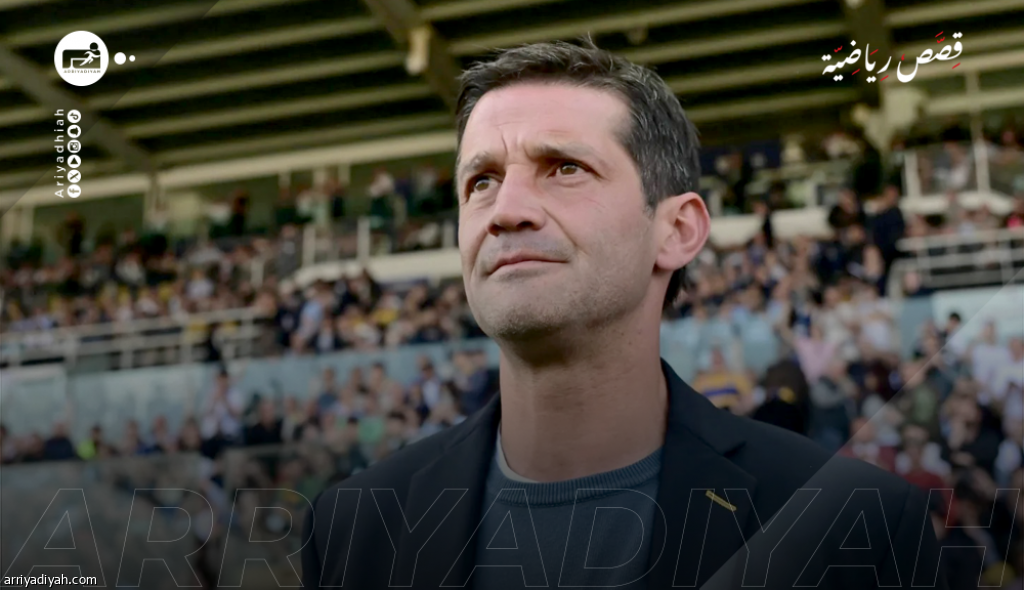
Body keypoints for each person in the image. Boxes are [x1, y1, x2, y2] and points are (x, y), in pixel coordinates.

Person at [303, 39, 945, 589]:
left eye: (565, 168)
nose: (506, 211)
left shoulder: (857, 524)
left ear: (677, 230)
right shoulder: (351, 529)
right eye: (482, 182)